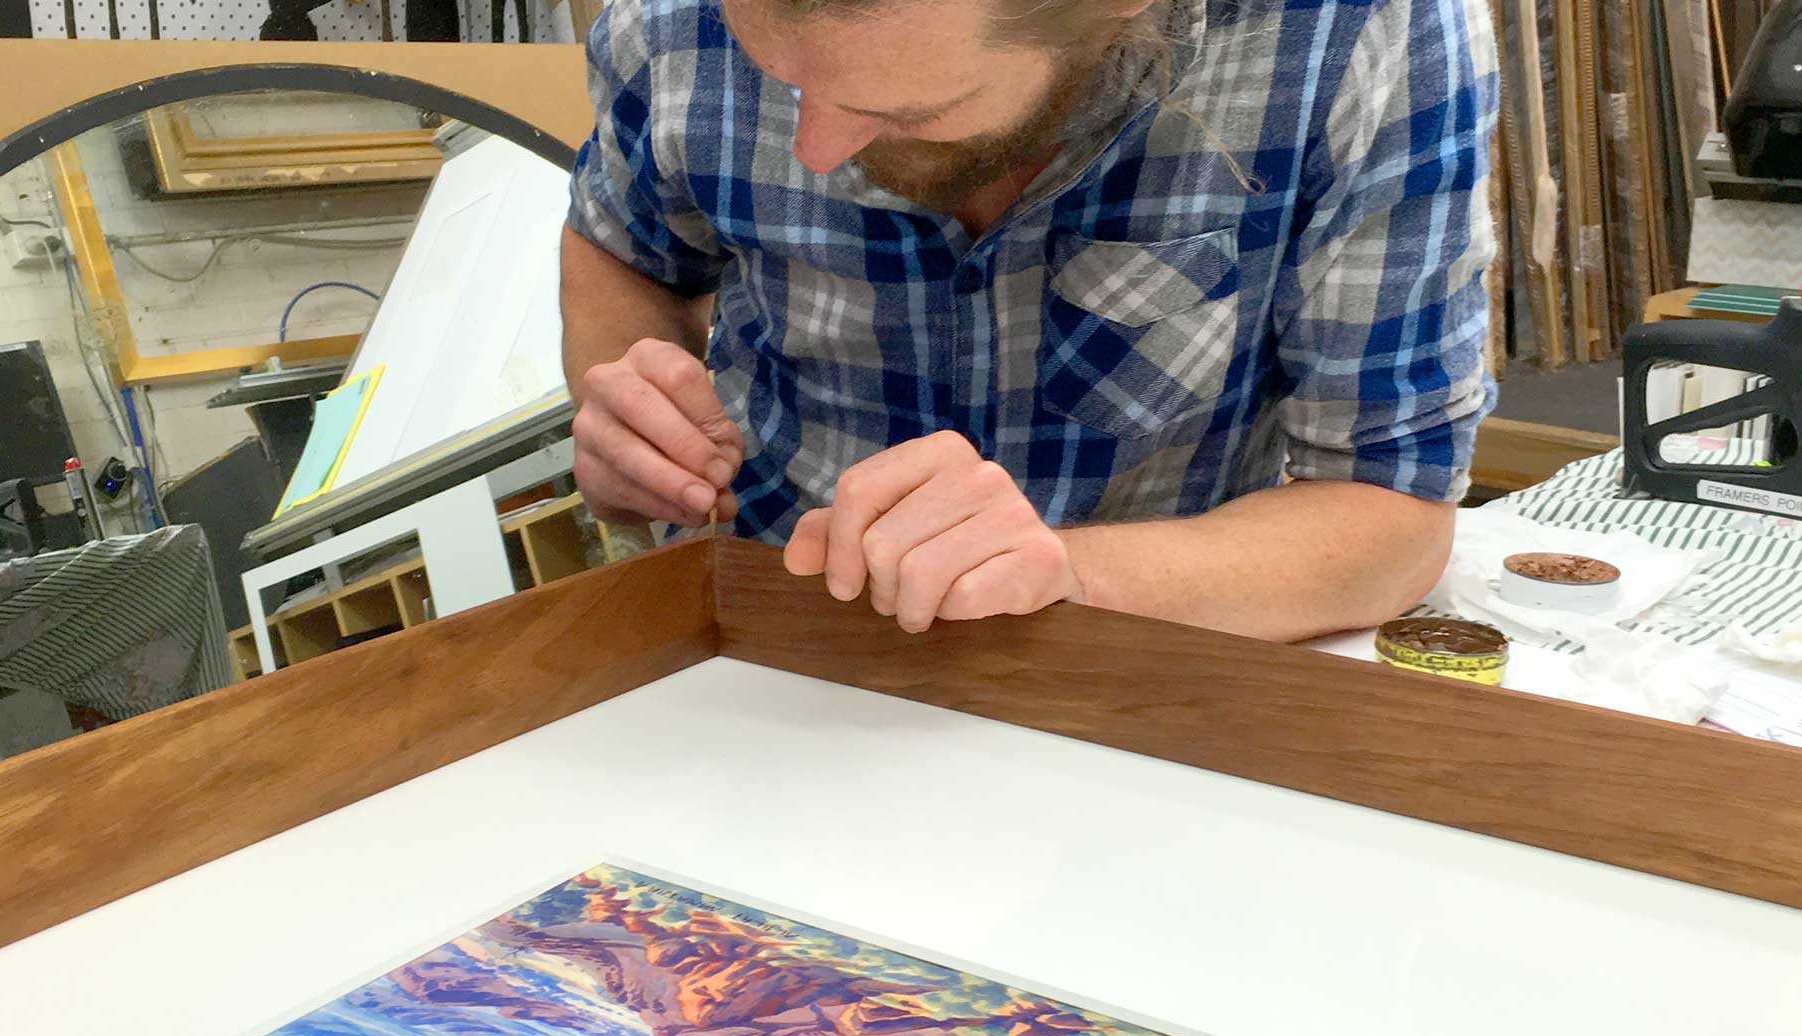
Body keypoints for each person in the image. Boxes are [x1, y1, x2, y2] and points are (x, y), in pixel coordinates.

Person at [562, 0, 1498, 641]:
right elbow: (621, 249)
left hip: (1139, 670)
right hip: (767, 657)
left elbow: (1389, 517)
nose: (815, 150)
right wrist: (635, 412)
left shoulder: (1364, 37)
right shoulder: (669, 22)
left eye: (906, 108)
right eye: (774, 76)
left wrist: (1071, 577)